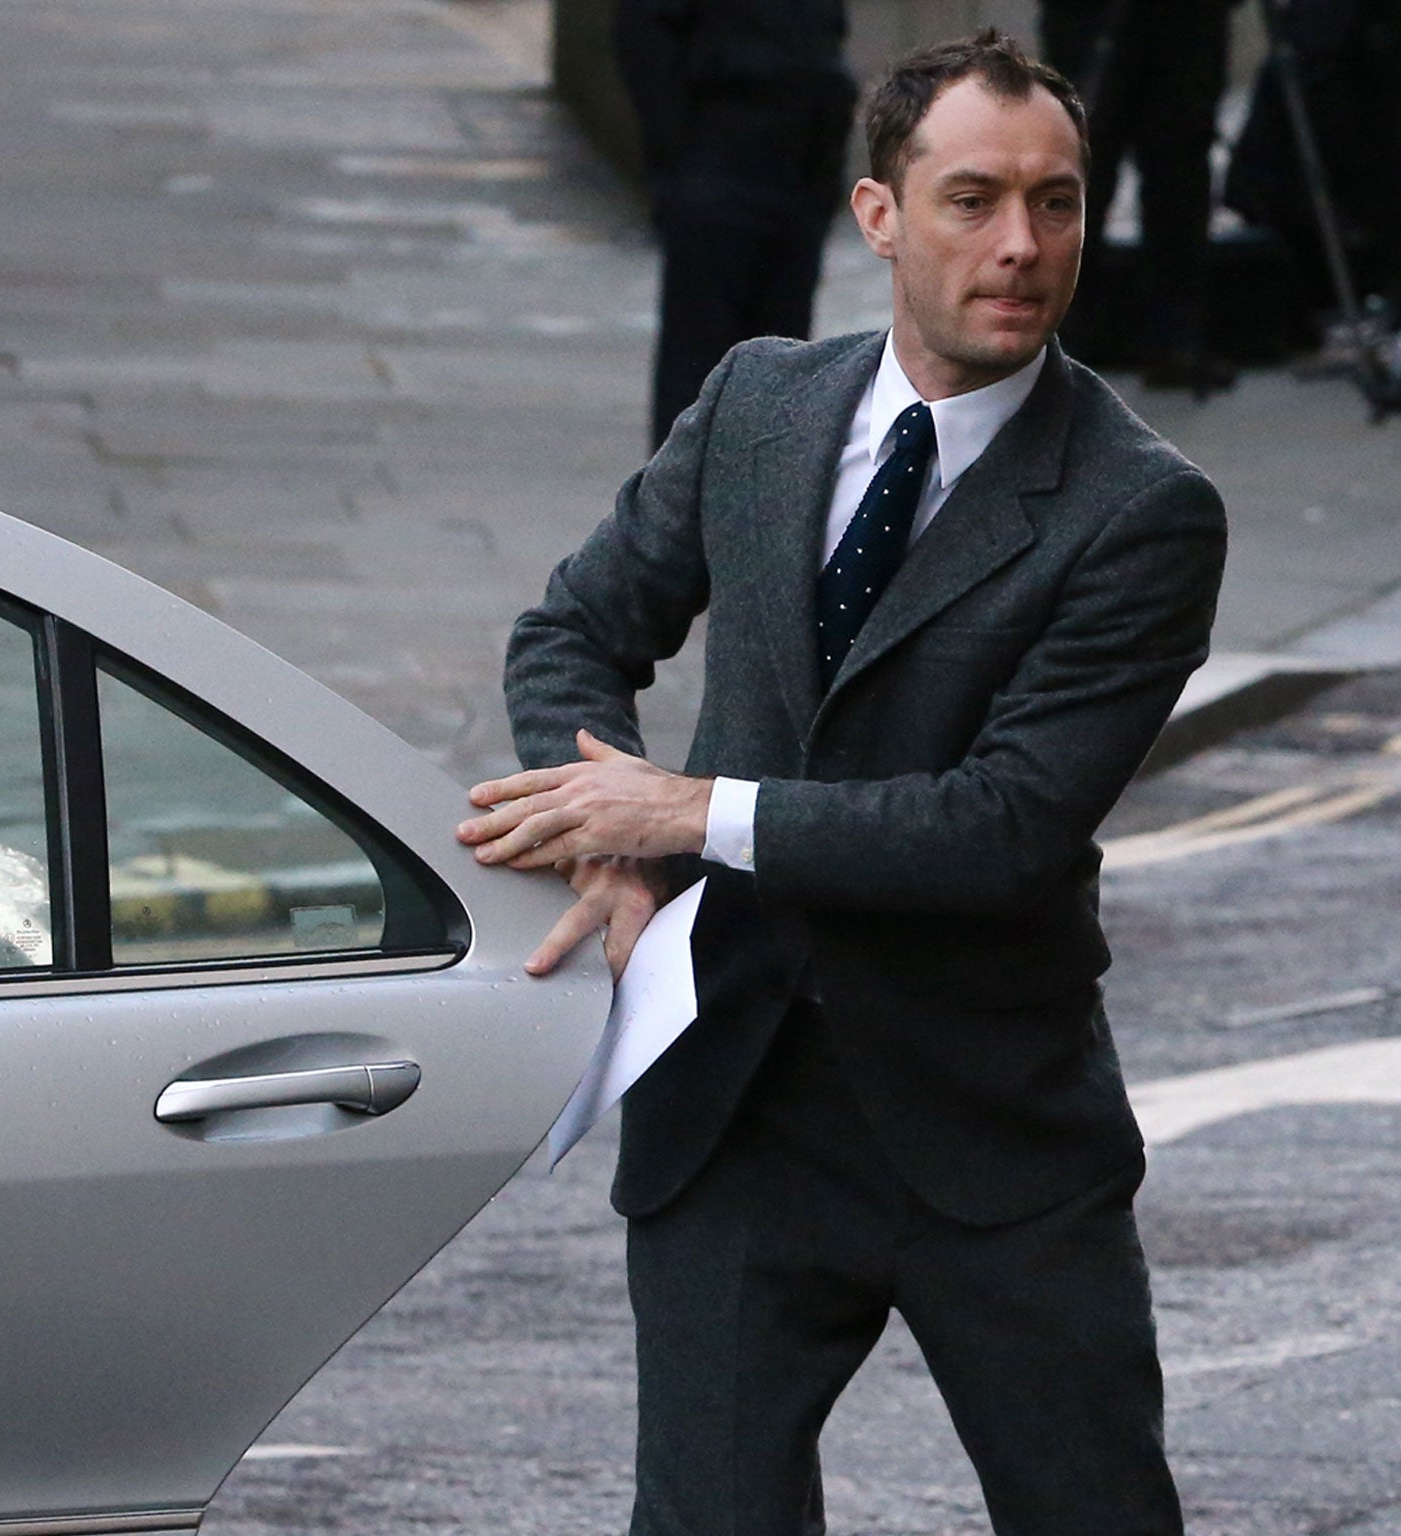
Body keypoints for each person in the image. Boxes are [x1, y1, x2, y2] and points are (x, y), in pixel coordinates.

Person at [456, 30, 1225, 1534]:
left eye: (1058, 203)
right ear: (879, 215)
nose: (1023, 245)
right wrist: (601, 836)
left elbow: (1000, 828)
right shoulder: (759, 405)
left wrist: (686, 815)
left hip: (988, 1135)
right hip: (735, 1103)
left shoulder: (1143, 513)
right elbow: (574, 629)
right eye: (974, 199)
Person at [614, 0, 857, 447]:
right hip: (722, 153)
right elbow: (642, 33)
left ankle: (765, 506)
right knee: (698, 372)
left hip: (799, 163)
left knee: (783, 371)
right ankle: (682, 509)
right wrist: (679, 164)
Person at [1039, 0, 1239, 391]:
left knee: (1180, 167)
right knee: (1081, 162)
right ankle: (1061, 335)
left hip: (1184, 19)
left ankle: (1176, 337)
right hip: (1093, 17)